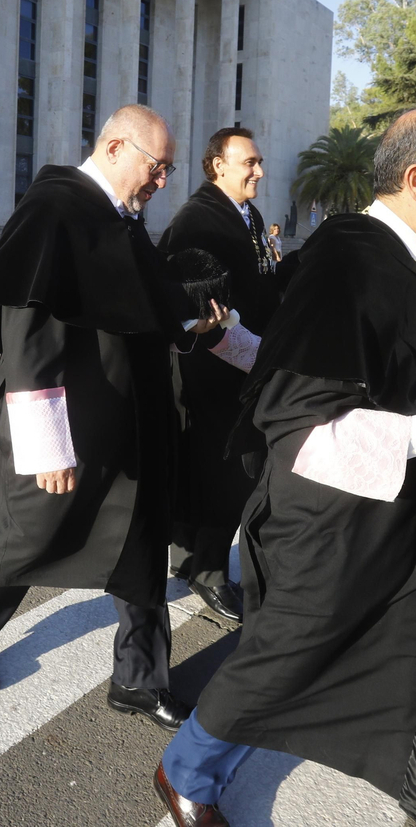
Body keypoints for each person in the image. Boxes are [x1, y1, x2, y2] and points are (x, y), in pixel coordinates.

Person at [154, 107, 416, 827]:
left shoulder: (414, 267)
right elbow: (303, 426)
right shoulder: (351, 260)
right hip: (331, 529)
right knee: (281, 658)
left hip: (407, 530)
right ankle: (186, 769)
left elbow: (396, 382)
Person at [0, 104, 227, 733]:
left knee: (140, 546)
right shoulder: (56, 208)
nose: (162, 182)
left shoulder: (124, 217)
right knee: (28, 540)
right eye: (157, 167)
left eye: (168, 170)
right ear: (115, 147)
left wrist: (193, 328)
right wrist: (47, 447)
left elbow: (144, 312)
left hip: (132, 419)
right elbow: (26, 332)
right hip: (63, 422)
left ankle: (140, 680)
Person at [158, 127, 283, 625]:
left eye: (258, 161)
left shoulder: (245, 215)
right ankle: (206, 571)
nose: (259, 171)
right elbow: (191, 310)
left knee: (228, 474)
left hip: (241, 370)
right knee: (222, 474)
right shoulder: (197, 221)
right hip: (212, 374)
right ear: (218, 166)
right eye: (249, 162)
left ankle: (193, 555)